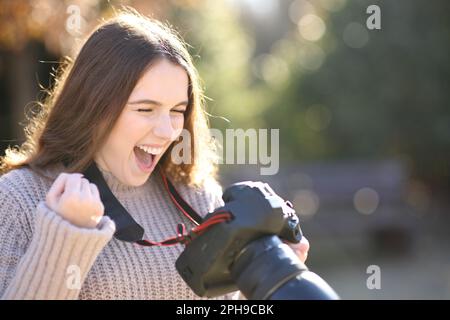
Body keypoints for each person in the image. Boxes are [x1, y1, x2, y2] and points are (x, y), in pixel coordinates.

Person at [0, 10, 309, 300]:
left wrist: (270, 277)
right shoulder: (20, 199)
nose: (167, 131)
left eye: (178, 111)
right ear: (93, 107)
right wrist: (66, 233)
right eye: (145, 109)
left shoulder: (197, 199)